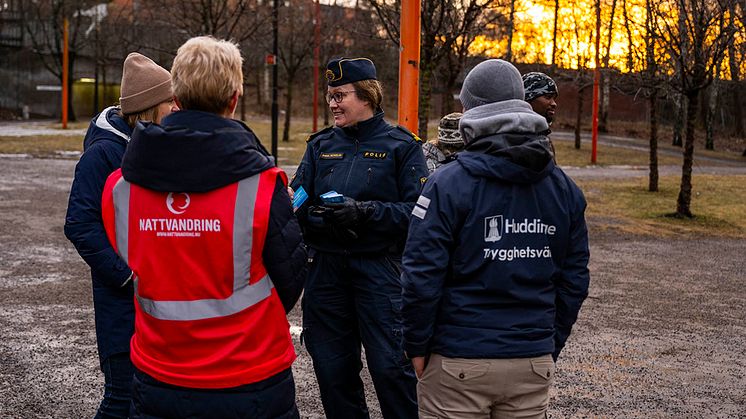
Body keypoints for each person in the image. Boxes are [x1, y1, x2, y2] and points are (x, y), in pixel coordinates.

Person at [101, 36, 307, 418]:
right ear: (235, 97)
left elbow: (131, 255)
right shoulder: (263, 184)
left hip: (158, 374)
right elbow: (291, 277)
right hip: (251, 377)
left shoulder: (119, 187)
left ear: (175, 94)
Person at [401, 59, 590, 418]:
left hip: (457, 359)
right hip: (531, 361)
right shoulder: (564, 188)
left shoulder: (447, 183)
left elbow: (420, 276)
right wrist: (547, 344)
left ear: (470, 109)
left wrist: (415, 346)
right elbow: (574, 280)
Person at [289, 57, 427, 419]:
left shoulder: (402, 146)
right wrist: (314, 215)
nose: (333, 103)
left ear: (367, 95)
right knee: (333, 372)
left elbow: (419, 214)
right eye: (330, 96)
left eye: (340, 95)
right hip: (327, 272)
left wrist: (365, 213)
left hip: (379, 271)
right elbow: (297, 200)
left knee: (390, 370)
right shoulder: (320, 146)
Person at [64, 52, 178, 418]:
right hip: (121, 303)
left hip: (155, 303)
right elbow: (79, 224)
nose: (176, 107)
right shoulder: (103, 155)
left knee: (151, 397)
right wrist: (125, 275)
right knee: (120, 397)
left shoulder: (153, 145)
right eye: (169, 101)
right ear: (148, 107)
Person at [522, 71, 558, 136]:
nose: (554, 104)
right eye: (548, 97)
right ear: (529, 98)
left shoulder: (539, 135)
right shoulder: (518, 137)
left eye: (554, 98)